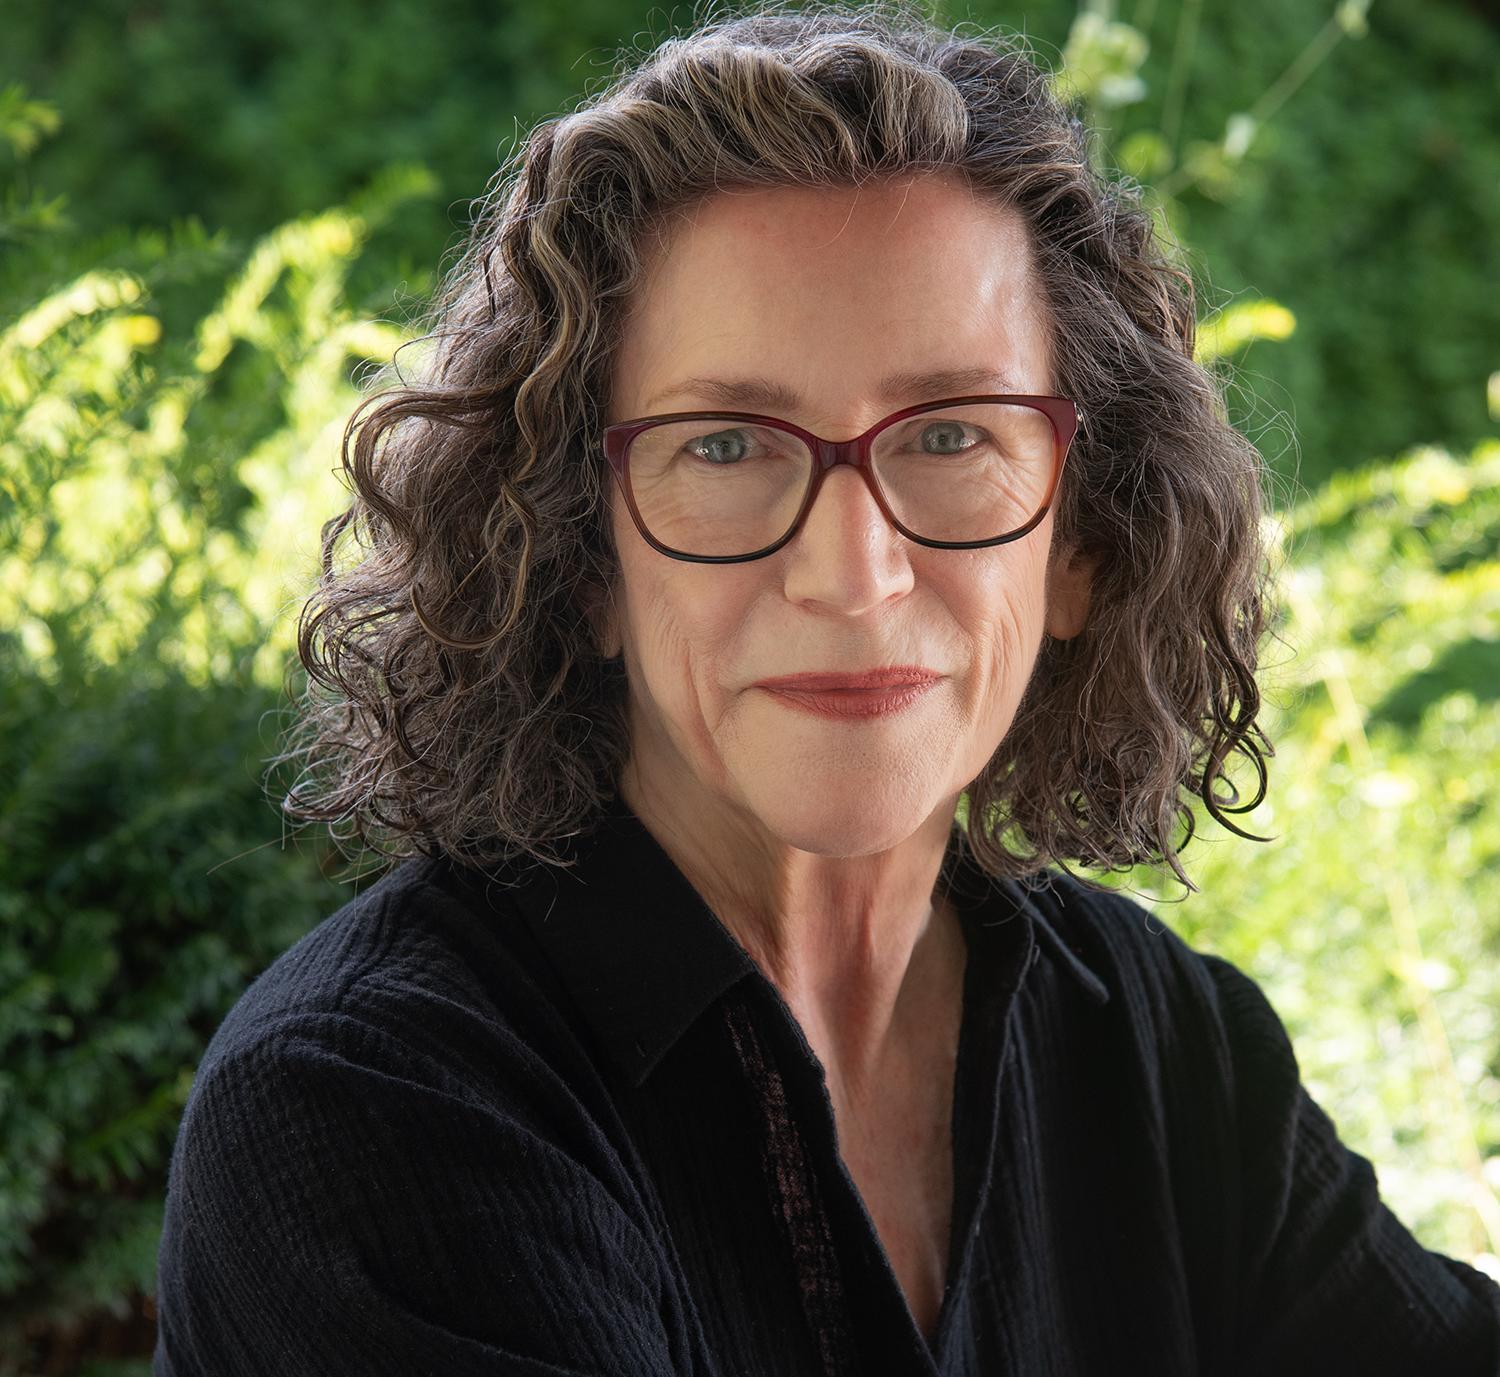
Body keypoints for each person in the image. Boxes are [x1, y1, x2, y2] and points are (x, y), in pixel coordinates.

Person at [151, 2, 1500, 1373]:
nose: (852, 574)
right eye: (727, 444)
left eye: (953, 433)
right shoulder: (370, 1108)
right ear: (575, 559)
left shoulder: (1160, 1049)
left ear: (1085, 541)